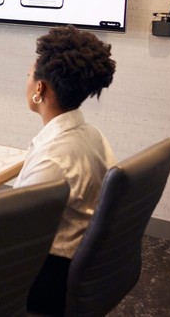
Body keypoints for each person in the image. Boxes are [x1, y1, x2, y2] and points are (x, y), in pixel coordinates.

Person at [14, 25, 116, 316]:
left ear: (39, 89)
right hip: (77, 265)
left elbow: (14, 238)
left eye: (29, 74)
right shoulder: (92, 135)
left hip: (45, 280)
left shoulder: (53, 160)